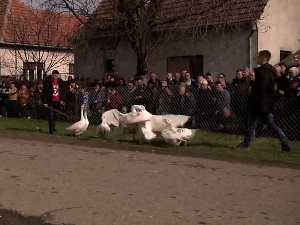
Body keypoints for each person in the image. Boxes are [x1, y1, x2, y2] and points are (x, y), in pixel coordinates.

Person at [236, 50, 291, 152]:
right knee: (271, 124)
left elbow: (261, 88)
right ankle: (284, 140)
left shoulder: (262, 71)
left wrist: (254, 99)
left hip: (259, 103)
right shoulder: (270, 71)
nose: (256, 58)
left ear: (263, 58)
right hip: (266, 103)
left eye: (258, 56)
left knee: (252, 124)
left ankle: (246, 144)